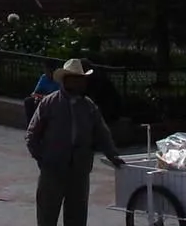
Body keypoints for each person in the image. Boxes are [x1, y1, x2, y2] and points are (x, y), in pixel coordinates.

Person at [26, 58, 125, 226]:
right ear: (67, 80)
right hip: (53, 168)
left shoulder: (88, 106)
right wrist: (43, 159)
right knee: (47, 214)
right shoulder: (50, 103)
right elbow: (32, 135)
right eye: (77, 79)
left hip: (79, 169)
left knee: (77, 215)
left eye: (82, 79)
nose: (82, 83)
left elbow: (102, 133)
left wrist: (113, 155)